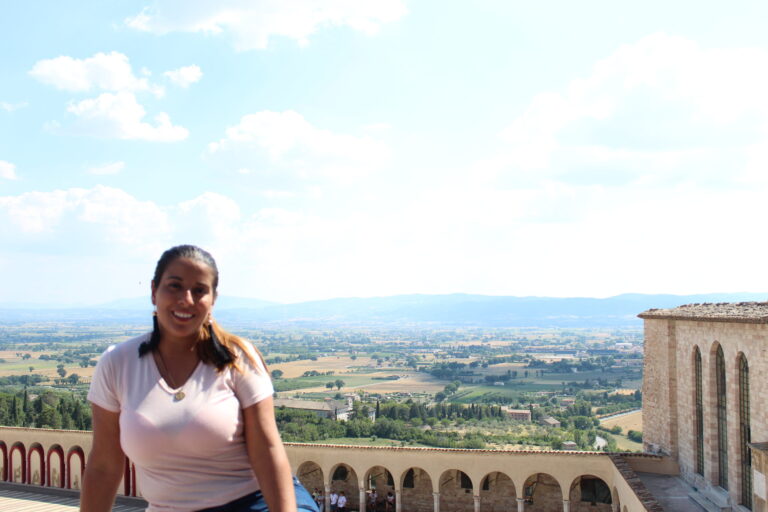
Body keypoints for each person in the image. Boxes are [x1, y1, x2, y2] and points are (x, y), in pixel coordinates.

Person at [80, 245, 319, 512]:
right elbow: (104, 465)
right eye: (175, 286)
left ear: (213, 299)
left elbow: (268, 451)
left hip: (256, 503)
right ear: (153, 291)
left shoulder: (237, 358)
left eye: (199, 290)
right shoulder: (117, 363)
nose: (186, 299)